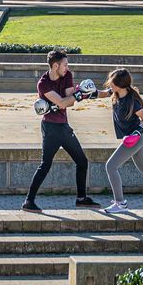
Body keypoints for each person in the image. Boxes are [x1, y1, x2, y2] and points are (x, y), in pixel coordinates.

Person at [89, 68, 143, 213]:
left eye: (111, 82)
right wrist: (87, 93)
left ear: (119, 84)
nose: (108, 84)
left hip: (136, 138)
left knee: (111, 166)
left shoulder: (132, 101)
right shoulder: (116, 92)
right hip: (132, 138)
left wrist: (136, 134)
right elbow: (102, 93)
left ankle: (120, 203)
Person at [23, 50, 99, 211]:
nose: (67, 67)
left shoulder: (67, 75)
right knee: (46, 165)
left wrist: (77, 96)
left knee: (82, 162)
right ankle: (29, 202)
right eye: (64, 64)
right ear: (55, 65)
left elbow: (69, 102)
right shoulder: (43, 83)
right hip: (51, 128)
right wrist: (78, 95)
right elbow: (63, 102)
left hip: (63, 126)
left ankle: (81, 198)